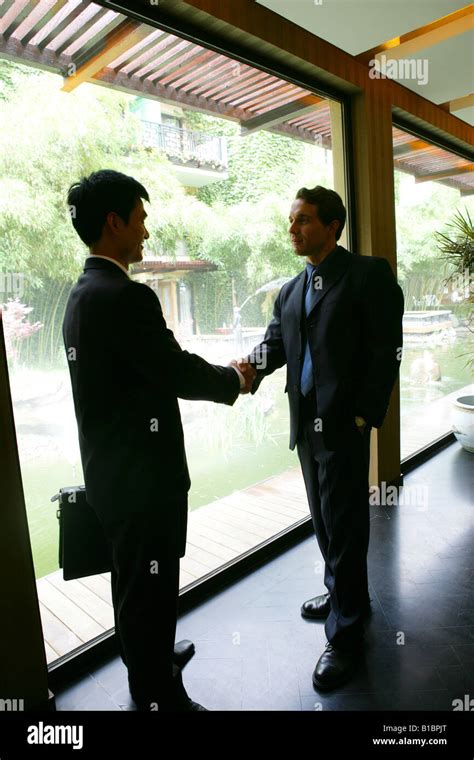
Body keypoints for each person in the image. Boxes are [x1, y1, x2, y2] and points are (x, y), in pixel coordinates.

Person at [63, 169, 255, 711]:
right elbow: (171, 369)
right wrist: (234, 378)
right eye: (141, 220)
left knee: (132, 585)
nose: (146, 233)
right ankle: (159, 693)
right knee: (150, 588)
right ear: (114, 221)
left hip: (111, 477)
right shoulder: (125, 297)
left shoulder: (82, 295)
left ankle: (150, 659)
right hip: (144, 482)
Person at [235, 186, 404, 690]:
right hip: (304, 427)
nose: (293, 228)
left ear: (333, 226)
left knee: (347, 524)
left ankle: (347, 635)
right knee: (326, 521)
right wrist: (245, 373)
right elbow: (276, 346)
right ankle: (343, 594)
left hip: (344, 426)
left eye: (304, 220)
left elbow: (385, 351)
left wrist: (364, 417)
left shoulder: (368, 276)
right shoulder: (290, 291)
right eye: (291, 220)